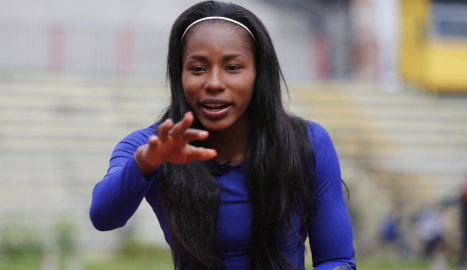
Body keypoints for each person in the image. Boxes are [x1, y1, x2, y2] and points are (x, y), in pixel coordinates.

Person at [89, 1, 356, 269]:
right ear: (178, 74)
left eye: (233, 67)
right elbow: (103, 217)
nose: (214, 83)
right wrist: (146, 164)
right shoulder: (151, 147)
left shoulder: (308, 143)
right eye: (197, 68)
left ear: (259, 73)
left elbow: (338, 260)